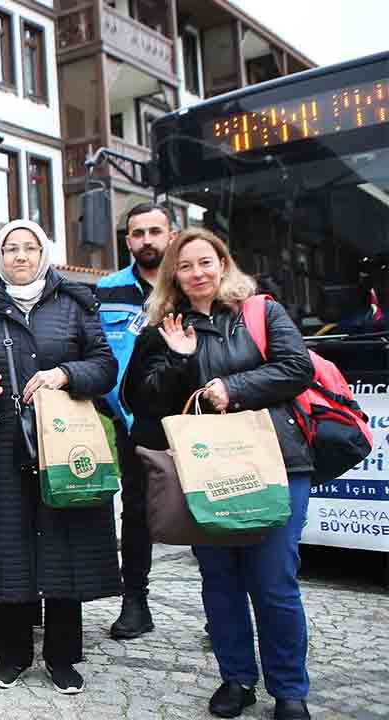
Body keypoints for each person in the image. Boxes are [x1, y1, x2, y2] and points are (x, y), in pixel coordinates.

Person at [124, 228, 314, 720]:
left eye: (206, 262)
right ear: (174, 275)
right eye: (185, 266)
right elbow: (139, 401)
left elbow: (297, 368)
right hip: (204, 468)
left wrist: (234, 388)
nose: (197, 273)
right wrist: (180, 362)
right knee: (220, 579)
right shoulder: (161, 327)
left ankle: (290, 690)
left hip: (274, 461)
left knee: (274, 581)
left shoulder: (260, 311)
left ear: (223, 264)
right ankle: (236, 679)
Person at [0, 219, 119, 694]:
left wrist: (65, 373)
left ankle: (63, 658)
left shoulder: (74, 303)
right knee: (10, 552)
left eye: (28, 248)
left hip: (64, 443)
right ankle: (14, 653)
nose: (19, 256)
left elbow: (105, 366)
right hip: (1, 445)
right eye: (10, 249)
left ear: (43, 253)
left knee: (64, 547)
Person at [96, 202, 175, 640]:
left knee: (207, 509)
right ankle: (135, 601)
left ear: (171, 236)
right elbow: (101, 353)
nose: (147, 240)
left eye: (154, 231)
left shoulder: (189, 284)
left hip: (191, 418)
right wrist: (118, 409)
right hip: (132, 420)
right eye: (137, 233)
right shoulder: (107, 290)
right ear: (127, 241)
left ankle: (220, 607)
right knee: (136, 511)